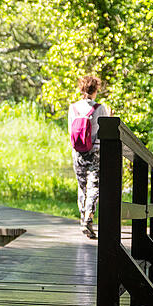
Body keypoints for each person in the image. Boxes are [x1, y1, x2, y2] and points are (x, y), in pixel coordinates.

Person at [68, 75, 110, 239]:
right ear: (95, 90)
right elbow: (105, 130)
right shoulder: (100, 108)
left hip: (77, 151)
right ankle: (88, 218)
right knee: (94, 185)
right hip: (95, 151)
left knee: (82, 185)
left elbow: (71, 131)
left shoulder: (73, 107)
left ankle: (82, 218)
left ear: (81, 89)